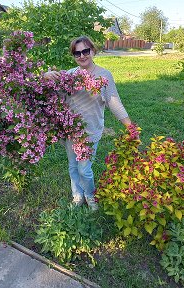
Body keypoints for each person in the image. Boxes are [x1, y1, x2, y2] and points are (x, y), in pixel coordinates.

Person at [44, 36, 133, 211]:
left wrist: (130, 126)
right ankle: (77, 196)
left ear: (93, 51)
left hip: (90, 130)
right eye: (77, 53)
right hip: (70, 130)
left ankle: (90, 195)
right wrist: (45, 76)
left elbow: (113, 101)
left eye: (85, 51)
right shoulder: (69, 75)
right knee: (73, 166)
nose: (82, 56)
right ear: (73, 55)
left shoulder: (104, 75)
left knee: (84, 169)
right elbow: (53, 95)